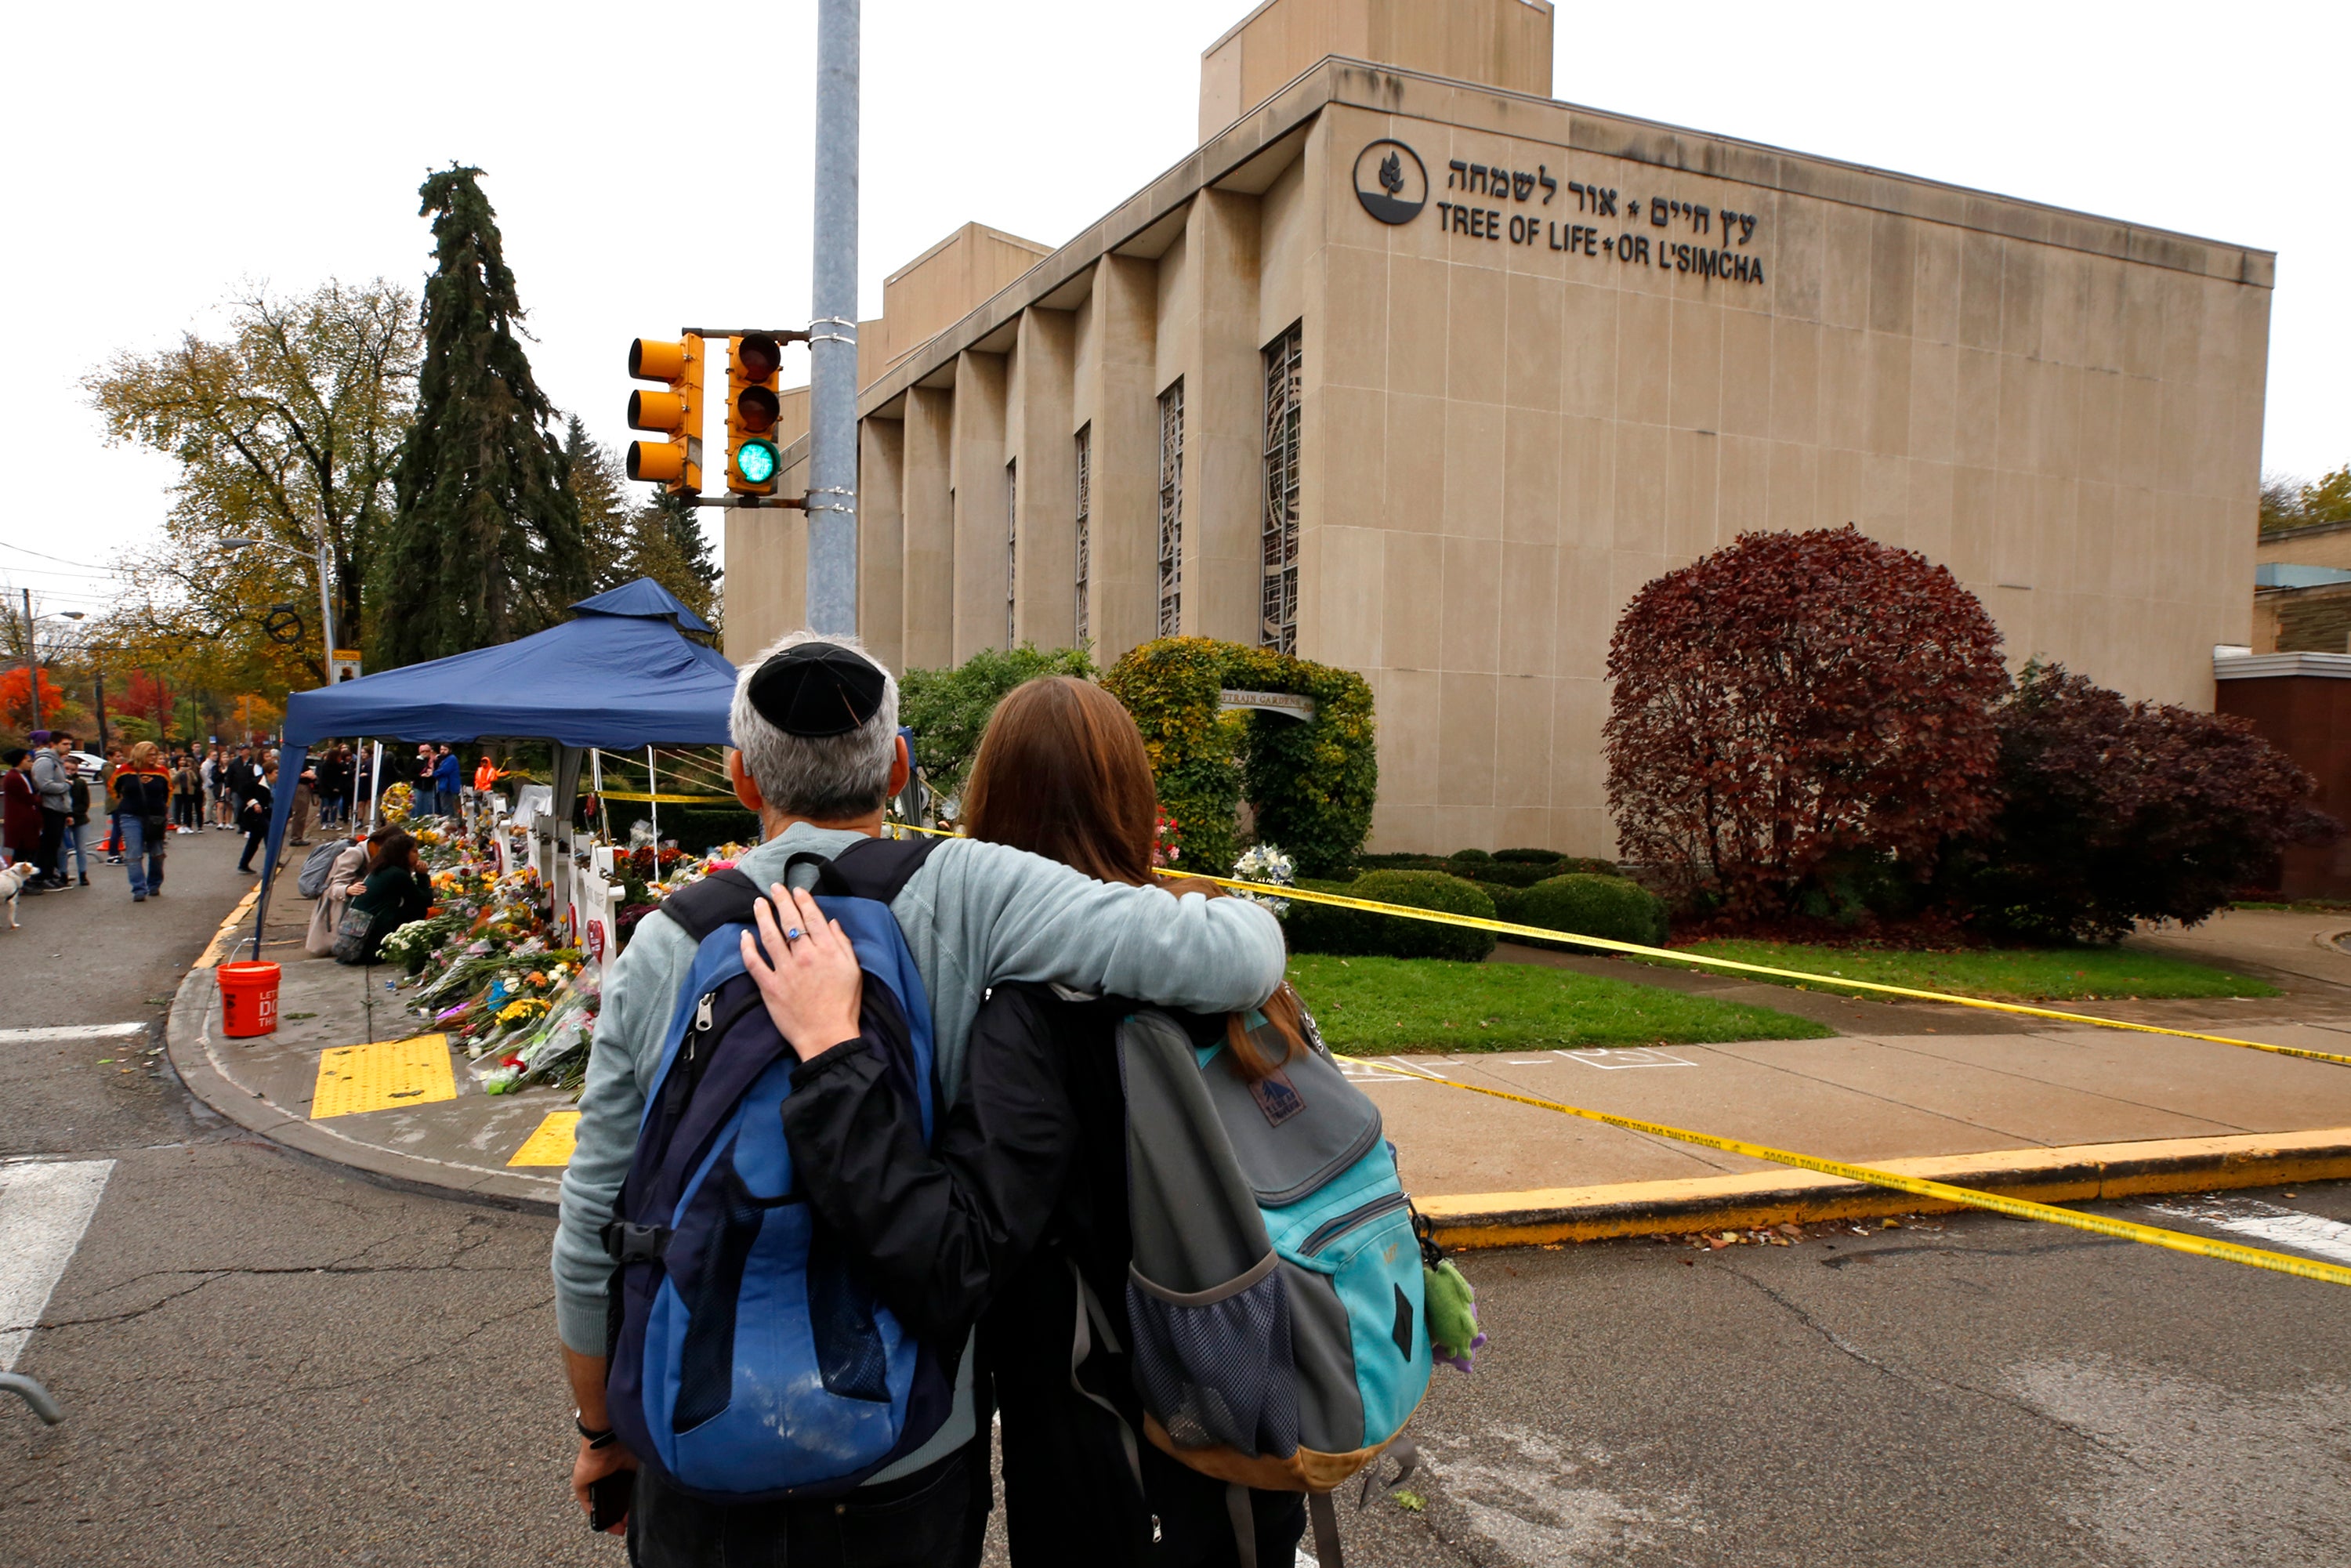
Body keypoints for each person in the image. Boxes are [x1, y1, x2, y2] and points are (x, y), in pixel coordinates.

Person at [556, 633, 1288, 1563]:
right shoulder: (972, 892)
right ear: (898, 768)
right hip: (908, 1449)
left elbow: (590, 1227)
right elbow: (1239, 958)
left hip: (693, 1447)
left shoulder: (667, 941)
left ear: (742, 779)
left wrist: (600, 1431)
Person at [748, 675, 1312, 1566]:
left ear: (988, 805)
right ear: (1135, 795)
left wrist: (834, 1056)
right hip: (1259, 1383)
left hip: (1110, 1441)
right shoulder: (1224, 961)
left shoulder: (1029, 1013)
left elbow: (961, 1250)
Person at [338, 827, 430, 962]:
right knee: (418, 910)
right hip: (365, 945)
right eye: (414, 851)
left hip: (355, 937)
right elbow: (425, 901)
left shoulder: (382, 869)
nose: (418, 855)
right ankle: (391, 947)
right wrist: (423, 877)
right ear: (403, 854)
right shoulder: (396, 874)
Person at [112, 741, 172, 902]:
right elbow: (113, 788)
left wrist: (163, 809)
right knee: (133, 853)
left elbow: (169, 791)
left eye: (155, 754)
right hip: (130, 816)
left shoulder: (162, 772)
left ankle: (154, 884)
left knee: (157, 853)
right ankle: (139, 888)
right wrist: (122, 805)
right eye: (149, 754)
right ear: (140, 754)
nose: (153, 758)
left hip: (156, 818)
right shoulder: (125, 770)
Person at [306, 827, 374, 957]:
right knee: (328, 942)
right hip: (337, 902)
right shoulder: (355, 854)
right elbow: (335, 886)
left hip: (341, 902)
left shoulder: (365, 853)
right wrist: (348, 889)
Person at [31, 733, 74, 889]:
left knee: (54, 844)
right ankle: (40, 877)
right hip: (50, 807)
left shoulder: (58, 761)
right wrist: (66, 785)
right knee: (48, 844)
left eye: (70, 744)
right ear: (53, 744)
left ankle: (49, 874)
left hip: (59, 807)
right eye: (65, 744)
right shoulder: (45, 761)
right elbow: (44, 785)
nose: (68, 747)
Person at [4, 748, 44, 896]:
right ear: (20, 761)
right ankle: (20, 883)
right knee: (21, 854)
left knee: (27, 851)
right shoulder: (13, 778)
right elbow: (27, 797)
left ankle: (25, 880)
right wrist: (40, 800)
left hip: (26, 819)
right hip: (21, 821)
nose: (31, 763)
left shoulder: (22, 776)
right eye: (28, 760)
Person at [235, 760, 274, 874]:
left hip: (265, 814)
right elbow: (242, 791)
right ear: (268, 773)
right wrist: (254, 803)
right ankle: (271, 863)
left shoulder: (276, 784)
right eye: (276, 772)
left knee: (254, 840)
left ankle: (243, 865)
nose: (278, 775)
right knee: (268, 835)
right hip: (254, 815)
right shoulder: (256, 782)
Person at [102, 746, 126, 864]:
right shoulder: (108, 768)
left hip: (119, 799)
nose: (121, 758)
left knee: (119, 827)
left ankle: (115, 852)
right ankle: (113, 853)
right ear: (109, 757)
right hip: (115, 801)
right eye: (118, 756)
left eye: (121, 755)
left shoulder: (115, 768)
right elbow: (114, 783)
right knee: (117, 827)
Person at [288, 754, 317, 846]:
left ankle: (298, 836)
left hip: (304, 787)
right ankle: (296, 837)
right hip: (300, 787)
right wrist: (306, 775)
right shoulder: (294, 760)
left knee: (302, 813)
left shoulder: (300, 760)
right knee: (300, 813)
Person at [172, 752, 203, 832]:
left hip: (188, 791)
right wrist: (180, 772)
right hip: (178, 791)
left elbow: (195, 780)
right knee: (178, 808)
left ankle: (186, 825)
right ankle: (178, 825)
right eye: (180, 760)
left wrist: (191, 772)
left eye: (184, 760)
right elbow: (173, 780)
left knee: (188, 809)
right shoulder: (172, 770)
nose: (182, 762)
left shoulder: (189, 771)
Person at [432, 744, 461, 818]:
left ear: (450, 750)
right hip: (444, 785)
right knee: (445, 807)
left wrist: (433, 773)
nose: (443, 751)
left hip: (448, 786)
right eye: (441, 749)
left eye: (445, 750)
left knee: (447, 808)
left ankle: (449, 824)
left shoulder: (451, 758)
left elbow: (445, 771)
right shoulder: (443, 759)